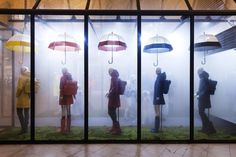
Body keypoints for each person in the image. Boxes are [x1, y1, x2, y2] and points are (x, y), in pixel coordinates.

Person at [196, 68, 216, 134]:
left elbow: (204, 90)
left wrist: (199, 95)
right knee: (201, 113)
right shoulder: (204, 77)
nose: (197, 73)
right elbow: (203, 89)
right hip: (204, 98)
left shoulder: (203, 78)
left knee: (201, 112)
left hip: (203, 99)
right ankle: (205, 128)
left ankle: (210, 128)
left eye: (198, 72)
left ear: (200, 72)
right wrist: (197, 93)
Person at [59, 68, 76, 134]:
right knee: (68, 112)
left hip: (63, 96)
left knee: (63, 112)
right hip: (69, 97)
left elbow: (61, 87)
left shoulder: (62, 78)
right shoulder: (70, 77)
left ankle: (62, 129)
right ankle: (68, 128)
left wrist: (61, 96)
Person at [106, 68, 122, 135]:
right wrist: (109, 92)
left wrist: (109, 94)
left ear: (112, 72)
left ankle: (117, 128)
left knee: (110, 112)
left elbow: (114, 88)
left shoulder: (113, 77)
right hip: (115, 98)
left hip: (113, 99)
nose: (109, 73)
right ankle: (114, 127)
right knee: (113, 113)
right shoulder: (116, 77)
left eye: (109, 71)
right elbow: (114, 88)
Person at [16, 66, 30, 134]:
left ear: (22, 71)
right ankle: (26, 128)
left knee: (19, 112)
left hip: (21, 98)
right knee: (26, 113)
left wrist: (17, 94)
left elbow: (19, 88)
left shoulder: (21, 77)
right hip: (28, 98)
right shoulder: (29, 77)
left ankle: (23, 128)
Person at [151, 67, 166, 133]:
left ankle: (156, 129)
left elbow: (158, 88)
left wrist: (157, 97)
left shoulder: (160, 77)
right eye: (156, 70)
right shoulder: (159, 77)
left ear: (158, 71)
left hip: (157, 97)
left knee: (157, 112)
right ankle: (156, 128)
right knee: (157, 112)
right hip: (157, 96)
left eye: (156, 70)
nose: (155, 71)